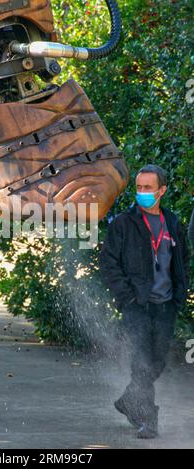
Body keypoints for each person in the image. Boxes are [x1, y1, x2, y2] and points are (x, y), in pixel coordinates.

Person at [99, 164, 190, 439]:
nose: (142, 193)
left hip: (165, 307)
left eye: (148, 188)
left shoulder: (172, 223)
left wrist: (180, 295)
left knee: (157, 362)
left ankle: (127, 400)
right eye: (139, 188)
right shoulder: (125, 223)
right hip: (137, 306)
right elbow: (108, 262)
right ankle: (148, 420)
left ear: (161, 190)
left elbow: (183, 260)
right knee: (142, 364)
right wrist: (126, 297)